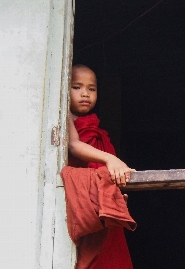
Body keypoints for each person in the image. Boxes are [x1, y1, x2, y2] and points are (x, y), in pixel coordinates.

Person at [65, 64, 135, 269]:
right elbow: (74, 145)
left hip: (105, 204)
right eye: (76, 87)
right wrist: (111, 160)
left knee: (112, 255)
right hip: (85, 203)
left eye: (91, 88)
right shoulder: (64, 116)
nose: (85, 94)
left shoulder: (97, 127)